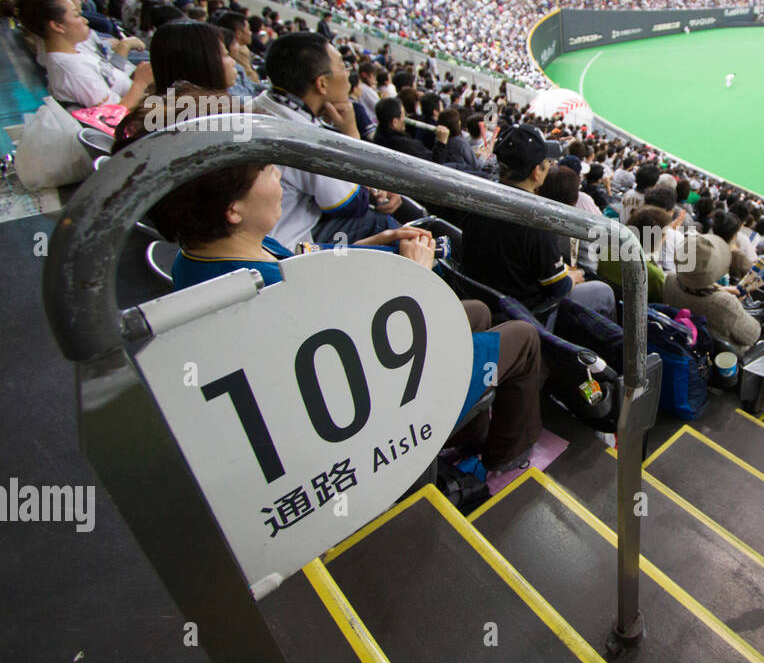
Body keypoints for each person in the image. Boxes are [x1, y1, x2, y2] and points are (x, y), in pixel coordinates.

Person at [126, 94, 543, 474]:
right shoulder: (266, 288)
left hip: (339, 376)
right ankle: (503, 462)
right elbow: (364, 351)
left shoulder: (213, 252)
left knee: (477, 312)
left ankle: (461, 436)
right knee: (522, 337)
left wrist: (370, 244)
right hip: (379, 401)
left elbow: (304, 269)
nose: (280, 180)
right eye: (270, 169)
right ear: (233, 209)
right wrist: (416, 278)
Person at [250, 32, 403, 247]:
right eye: (343, 67)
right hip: (281, 249)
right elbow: (350, 204)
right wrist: (352, 135)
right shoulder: (304, 137)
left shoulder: (262, 104)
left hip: (257, 239)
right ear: (322, 84)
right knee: (388, 227)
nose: (348, 75)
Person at [460, 123, 616, 321]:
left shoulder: (476, 197)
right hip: (523, 314)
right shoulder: (537, 221)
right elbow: (558, 287)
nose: (550, 165)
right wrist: (572, 278)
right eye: (547, 162)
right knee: (602, 291)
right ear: (536, 172)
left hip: (483, 300)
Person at [19, 0, 152, 110]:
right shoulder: (73, 70)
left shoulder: (73, 54)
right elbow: (111, 116)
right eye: (77, 15)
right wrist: (140, 83)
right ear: (57, 26)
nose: (85, 20)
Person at [662, 233, 761, 354]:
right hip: (723, 357)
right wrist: (735, 305)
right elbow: (752, 336)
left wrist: (720, 291)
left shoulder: (669, 280)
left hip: (684, 346)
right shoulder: (725, 304)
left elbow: (695, 292)